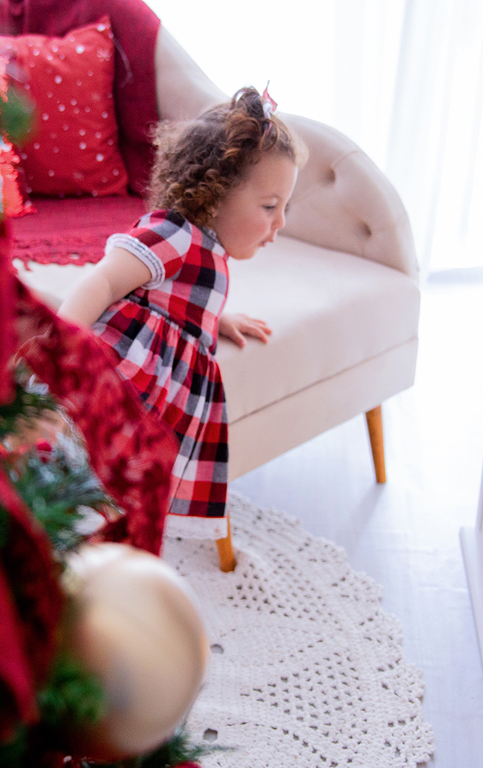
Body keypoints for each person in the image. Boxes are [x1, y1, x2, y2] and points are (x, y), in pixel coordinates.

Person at [57, 86, 303, 546]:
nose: (281, 223)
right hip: (120, 380)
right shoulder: (175, 232)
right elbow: (105, 280)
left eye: (284, 207)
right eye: (270, 206)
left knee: (115, 491)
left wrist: (214, 319)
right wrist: (62, 346)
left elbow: (174, 295)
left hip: (154, 402)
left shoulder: (205, 248)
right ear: (214, 193)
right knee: (79, 469)